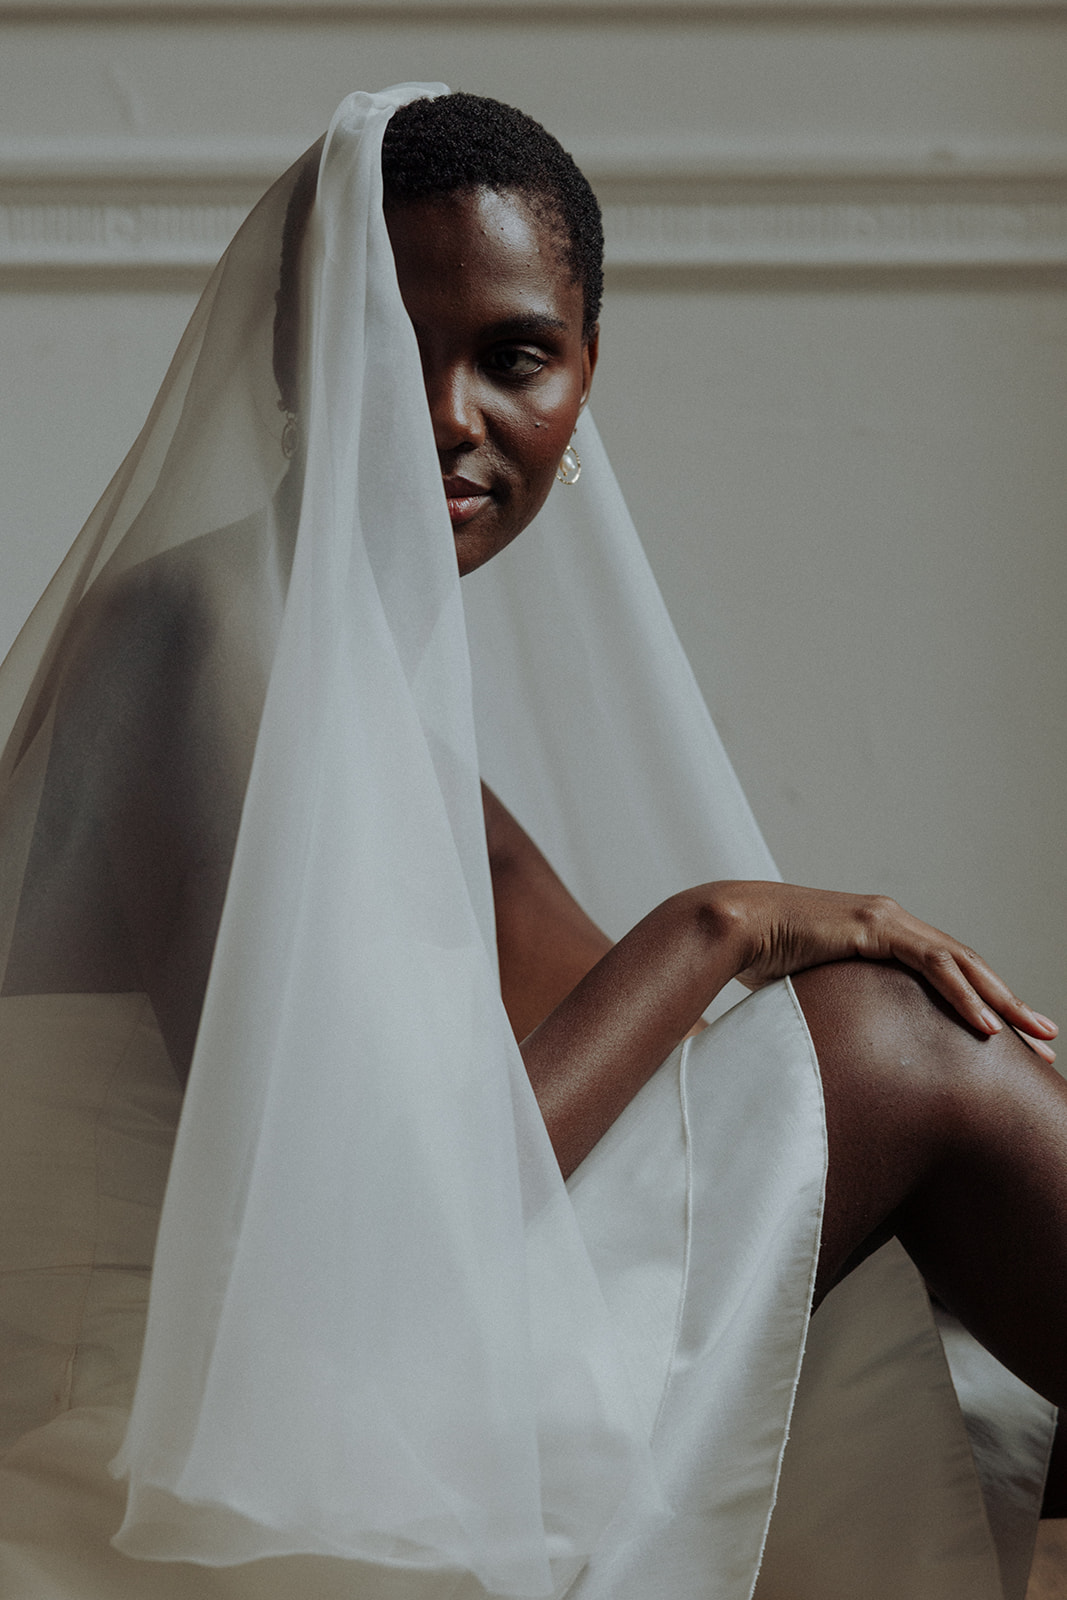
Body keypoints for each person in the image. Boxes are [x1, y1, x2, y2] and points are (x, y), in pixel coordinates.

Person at [0, 83, 1062, 1600]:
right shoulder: (196, 643)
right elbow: (385, 1250)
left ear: (585, 379)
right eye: (384, 348)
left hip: (333, 1392)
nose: (447, 414)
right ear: (294, 357)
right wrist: (728, 922)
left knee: (929, 1281)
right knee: (897, 1047)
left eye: (512, 357)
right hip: (217, 1480)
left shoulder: (349, 709)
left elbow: (608, 1109)